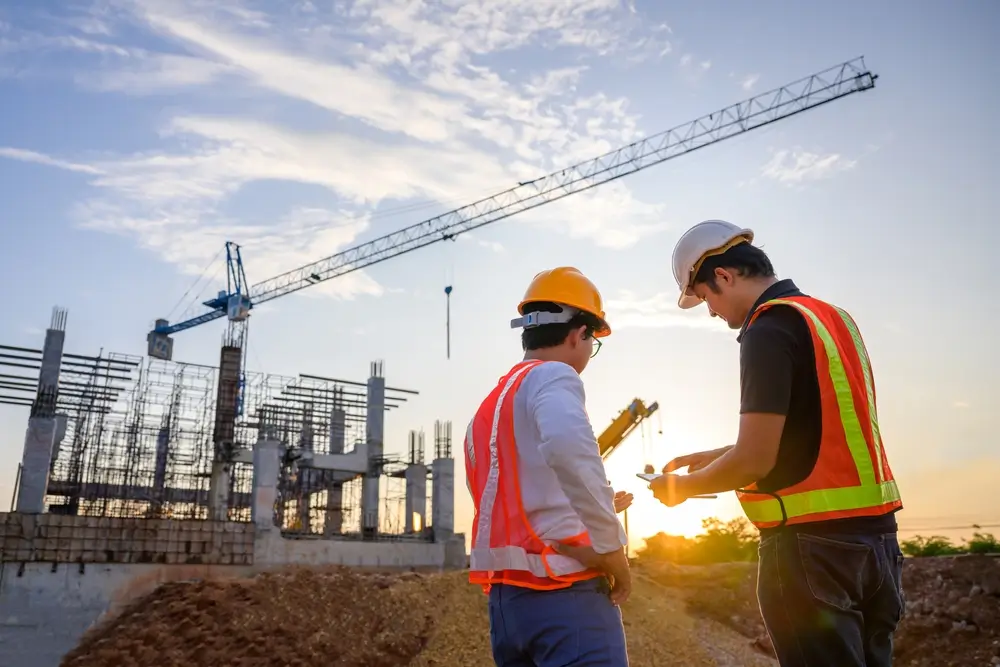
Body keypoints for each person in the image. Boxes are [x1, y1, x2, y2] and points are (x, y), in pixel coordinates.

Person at [651, 220, 905, 667]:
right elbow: (819, 428)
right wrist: (717, 456)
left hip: (811, 552)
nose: (711, 312)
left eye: (707, 297)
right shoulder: (832, 318)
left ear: (724, 276)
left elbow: (754, 459)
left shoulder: (766, 329)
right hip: (878, 547)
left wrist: (681, 489)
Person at [464, 266, 633, 667]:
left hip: (508, 608)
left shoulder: (491, 403)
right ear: (580, 335)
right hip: (564, 595)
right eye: (592, 342)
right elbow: (567, 448)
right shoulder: (555, 377)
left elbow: (513, 491)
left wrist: (594, 504)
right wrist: (610, 548)